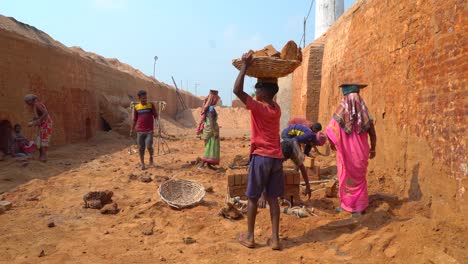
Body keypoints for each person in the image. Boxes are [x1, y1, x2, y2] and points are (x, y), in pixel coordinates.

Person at [234, 51, 284, 250]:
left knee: (252, 198)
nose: (255, 92)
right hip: (276, 159)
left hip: (261, 157)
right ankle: (275, 239)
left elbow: (237, 90)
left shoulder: (259, 108)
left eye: (257, 89)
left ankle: (250, 236)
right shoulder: (276, 108)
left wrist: (245, 65)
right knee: (273, 199)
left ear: (263, 92)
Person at [325, 83, 377, 217]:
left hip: (346, 155)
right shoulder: (365, 115)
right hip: (361, 153)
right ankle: (355, 207)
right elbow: (373, 134)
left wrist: (332, 144)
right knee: (359, 179)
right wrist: (373, 149)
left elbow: (330, 130)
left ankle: (349, 206)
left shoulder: (340, 115)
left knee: (346, 177)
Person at [130, 90, 158, 170]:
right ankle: (142, 163)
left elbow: (155, 116)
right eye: (143, 98)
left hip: (149, 130)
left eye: (146, 98)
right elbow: (134, 119)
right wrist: (132, 129)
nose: (145, 99)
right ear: (139, 98)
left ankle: (151, 158)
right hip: (140, 131)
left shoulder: (150, 105)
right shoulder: (137, 107)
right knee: (141, 148)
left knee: (149, 146)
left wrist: (158, 126)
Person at [24, 94, 52, 162]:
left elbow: (45, 113)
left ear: (31, 100)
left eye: (27, 102)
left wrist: (38, 121)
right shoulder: (36, 105)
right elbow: (40, 115)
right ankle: (41, 155)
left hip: (46, 123)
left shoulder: (37, 104)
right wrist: (34, 120)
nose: (27, 104)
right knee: (39, 139)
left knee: (42, 139)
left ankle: (44, 157)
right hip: (44, 123)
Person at [197, 90, 221, 170]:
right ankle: (202, 165)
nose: (217, 101)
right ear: (213, 99)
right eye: (216, 99)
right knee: (209, 147)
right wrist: (214, 132)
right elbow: (211, 121)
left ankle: (209, 165)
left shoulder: (209, 107)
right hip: (211, 130)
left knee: (210, 146)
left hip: (210, 129)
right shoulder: (210, 108)